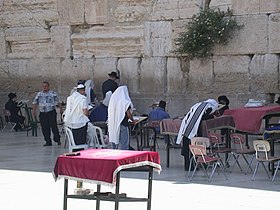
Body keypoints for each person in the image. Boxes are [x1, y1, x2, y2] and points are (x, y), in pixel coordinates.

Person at [176, 99, 219, 170]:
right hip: (194, 131)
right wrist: (213, 117)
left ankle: (188, 167)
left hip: (186, 128)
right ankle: (193, 166)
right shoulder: (209, 107)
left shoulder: (198, 105)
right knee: (195, 148)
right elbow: (203, 117)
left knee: (188, 148)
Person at [32, 81, 61, 146]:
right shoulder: (39, 94)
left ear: (48, 86)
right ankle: (48, 141)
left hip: (51, 112)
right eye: (43, 86)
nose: (44, 88)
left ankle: (57, 139)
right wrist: (34, 111)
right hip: (43, 113)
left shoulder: (53, 93)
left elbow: (58, 101)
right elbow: (35, 102)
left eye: (46, 86)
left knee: (54, 126)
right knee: (45, 127)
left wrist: (61, 109)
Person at [108, 86, 134, 150]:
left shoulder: (113, 101)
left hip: (113, 123)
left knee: (115, 138)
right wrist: (132, 120)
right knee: (124, 141)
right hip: (123, 123)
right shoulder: (125, 102)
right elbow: (128, 114)